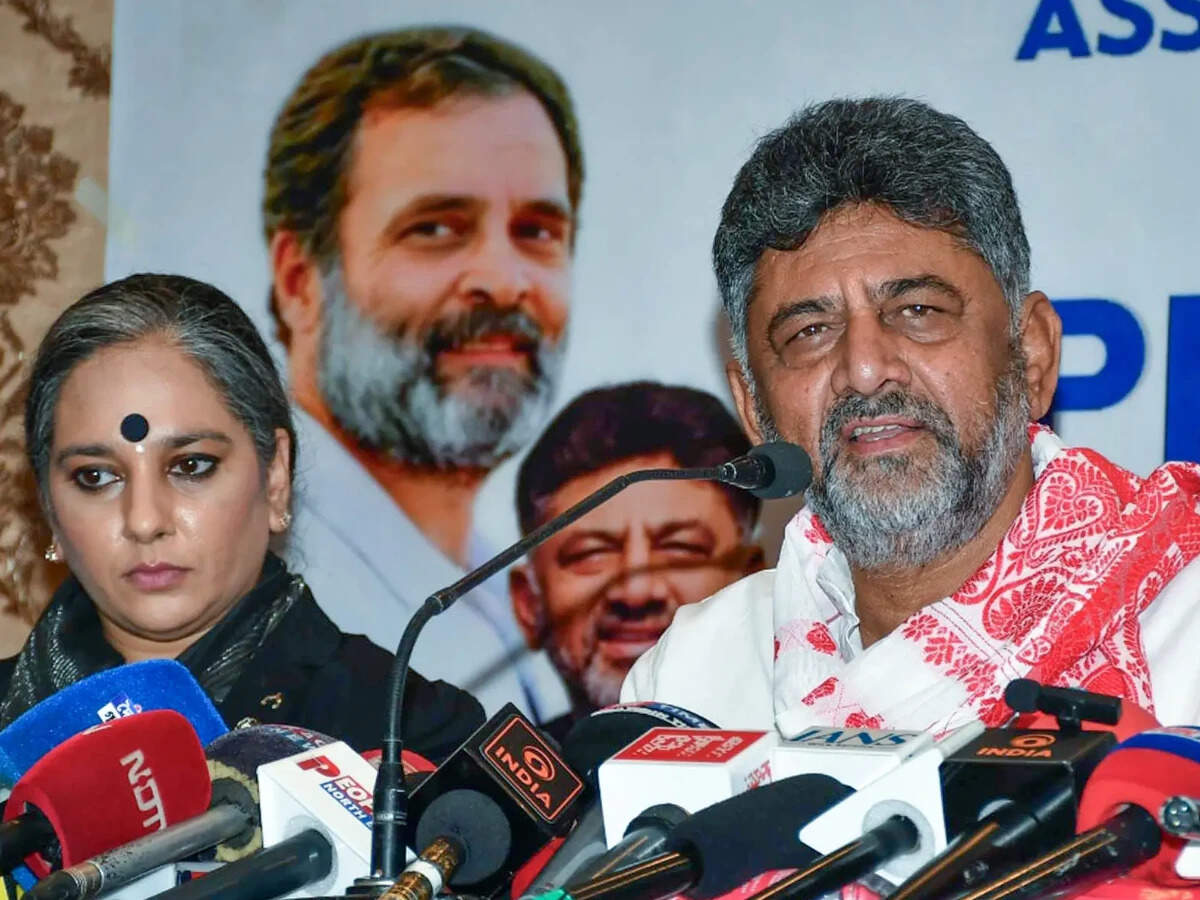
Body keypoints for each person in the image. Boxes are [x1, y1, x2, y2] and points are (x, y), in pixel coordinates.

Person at [623, 97, 1200, 734]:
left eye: (918, 311)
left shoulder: (1184, 626)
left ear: (1032, 354)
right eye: (810, 331)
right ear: (753, 407)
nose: (865, 368)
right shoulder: (694, 679)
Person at [0, 273, 484, 757]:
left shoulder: (407, 736)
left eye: (191, 466)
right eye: (96, 477)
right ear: (49, 507)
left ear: (274, 477)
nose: (145, 522)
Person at [262, 26, 584, 719]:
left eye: (536, 231)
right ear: (300, 281)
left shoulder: (504, 584)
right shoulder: (238, 580)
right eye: (435, 228)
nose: (504, 280)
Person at [510, 382, 764, 738]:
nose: (636, 592)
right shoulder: (484, 775)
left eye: (681, 549)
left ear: (752, 582)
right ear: (529, 605)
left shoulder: (821, 758)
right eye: (591, 554)